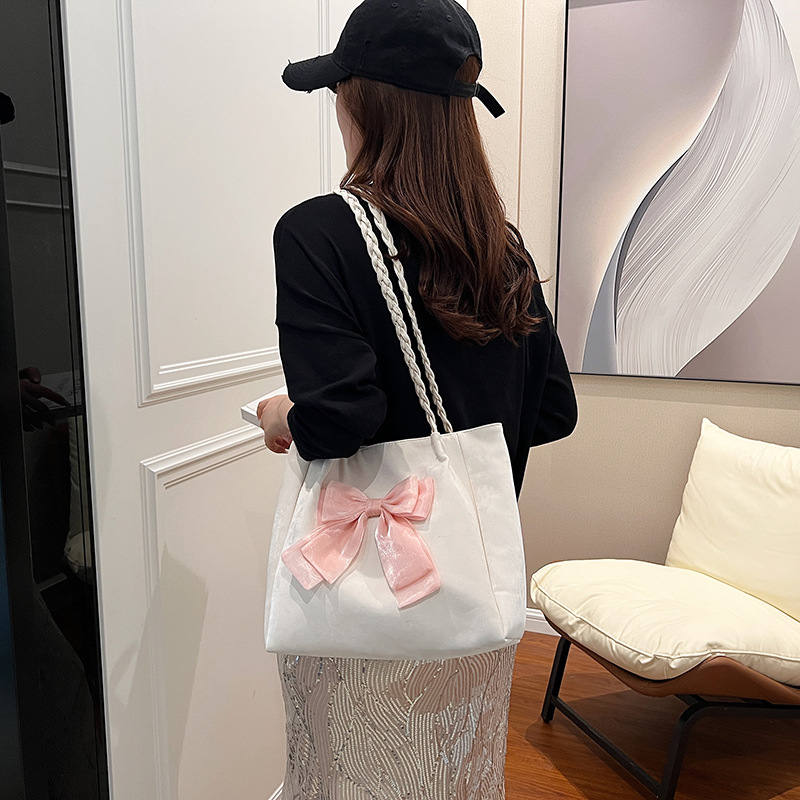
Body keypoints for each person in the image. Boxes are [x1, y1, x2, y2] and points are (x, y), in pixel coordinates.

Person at [258, 1, 578, 797]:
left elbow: (340, 420)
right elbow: (554, 411)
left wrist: (282, 415)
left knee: (349, 774)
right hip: (472, 599)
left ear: (361, 100)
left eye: (338, 91)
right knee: (454, 775)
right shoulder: (503, 249)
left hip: (360, 612)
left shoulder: (318, 233)